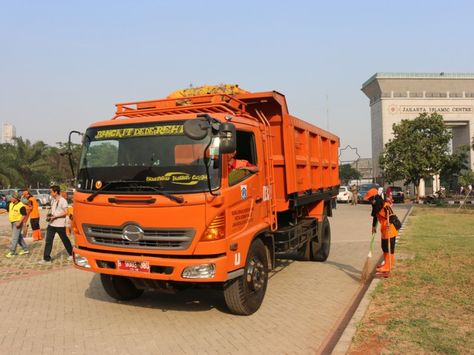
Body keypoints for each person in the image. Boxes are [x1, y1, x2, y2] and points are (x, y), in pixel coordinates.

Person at [364, 187, 398, 275]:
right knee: (384, 247)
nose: (370, 201)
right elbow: (375, 216)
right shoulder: (376, 206)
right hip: (383, 229)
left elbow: (393, 216)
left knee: (389, 247)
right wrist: (373, 227)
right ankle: (386, 264)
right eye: (369, 200)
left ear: (375, 197)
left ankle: (388, 266)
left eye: (371, 199)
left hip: (390, 228)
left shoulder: (385, 205)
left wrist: (389, 222)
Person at [38, 185, 73, 264]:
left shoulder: (63, 201)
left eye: (51, 192)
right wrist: (50, 215)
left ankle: (72, 254)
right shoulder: (53, 200)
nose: (50, 193)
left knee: (65, 240)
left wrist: (56, 216)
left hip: (60, 225)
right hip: (52, 224)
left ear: (55, 192)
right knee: (48, 240)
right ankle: (46, 259)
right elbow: (54, 211)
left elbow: (66, 212)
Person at [0, 192, 30, 258]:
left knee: (14, 238)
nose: (11, 198)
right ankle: (25, 249)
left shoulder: (21, 205)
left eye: (12, 197)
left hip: (17, 223)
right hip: (12, 222)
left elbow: (24, 215)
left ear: (16, 198)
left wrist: (19, 223)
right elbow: (6, 210)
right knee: (18, 237)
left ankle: (12, 252)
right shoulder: (10, 204)